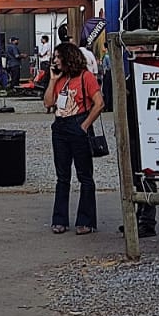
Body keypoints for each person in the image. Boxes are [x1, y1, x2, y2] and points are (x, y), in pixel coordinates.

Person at [46, 43, 105, 236]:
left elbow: (99, 103)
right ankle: (59, 219)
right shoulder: (60, 79)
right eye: (54, 57)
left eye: (58, 56)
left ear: (68, 57)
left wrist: (85, 125)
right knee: (62, 176)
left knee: (84, 175)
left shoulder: (85, 77)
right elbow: (48, 103)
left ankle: (86, 220)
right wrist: (52, 80)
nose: (55, 60)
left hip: (78, 123)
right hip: (60, 127)